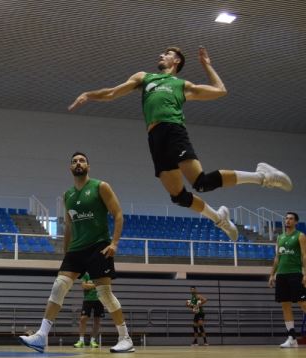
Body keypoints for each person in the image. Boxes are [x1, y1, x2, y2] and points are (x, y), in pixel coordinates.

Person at [68, 46, 292, 242]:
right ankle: (219, 219)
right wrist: (89, 95)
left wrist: (206, 65)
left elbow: (220, 90)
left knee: (201, 182)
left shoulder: (181, 85)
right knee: (179, 197)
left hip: (173, 130)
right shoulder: (144, 77)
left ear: (176, 61)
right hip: (155, 138)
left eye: (167, 54)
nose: (161, 55)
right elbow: (112, 93)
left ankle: (263, 177)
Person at [19, 152, 134, 353]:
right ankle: (41, 336)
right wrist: (66, 253)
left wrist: (114, 243)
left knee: (105, 294)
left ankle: (125, 338)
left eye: (81, 160)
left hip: (99, 246)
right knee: (58, 286)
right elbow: (69, 226)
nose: (78, 163)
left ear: (88, 166)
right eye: (74, 161)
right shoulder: (68, 195)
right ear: (70, 168)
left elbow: (118, 214)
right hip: (76, 249)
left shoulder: (100, 187)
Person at [268, 212, 306, 348]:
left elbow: (304, 255)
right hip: (282, 275)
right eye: (286, 218)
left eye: (291, 219)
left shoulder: (300, 236)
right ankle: (292, 338)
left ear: (296, 222)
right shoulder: (280, 237)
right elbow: (277, 257)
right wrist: (272, 274)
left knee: (302, 303)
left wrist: (305, 273)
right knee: (285, 305)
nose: (288, 220)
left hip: (295, 273)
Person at [73, 273, 105, 348]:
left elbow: (104, 286)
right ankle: (81, 341)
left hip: (99, 299)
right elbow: (84, 286)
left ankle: (92, 341)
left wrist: (90, 286)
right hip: (87, 299)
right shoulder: (86, 274)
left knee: (97, 320)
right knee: (83, 318)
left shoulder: (100, 273)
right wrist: (96, 285)